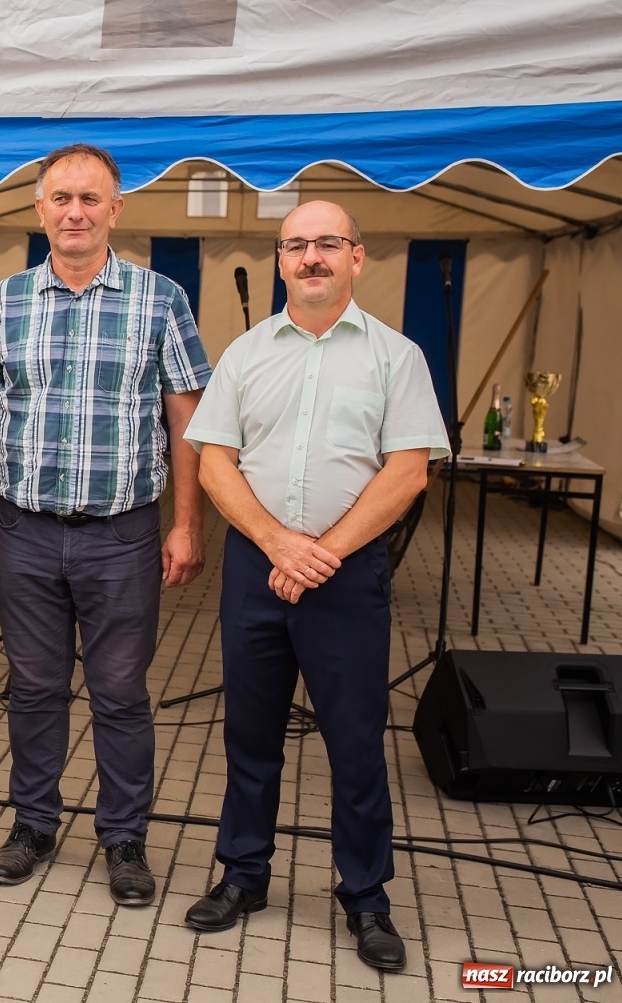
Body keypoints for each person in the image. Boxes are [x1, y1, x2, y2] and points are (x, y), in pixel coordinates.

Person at [181, 201, 447, 972]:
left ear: (358, 257)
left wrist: (322, 553)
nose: (311, 258)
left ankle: (366, 896)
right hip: (257, 571)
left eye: (328, 244)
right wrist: (277, 544)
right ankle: (243, 875)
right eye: (296, 246)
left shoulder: (398, 358)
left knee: (357, 743)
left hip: (347, 573)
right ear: (280, 260)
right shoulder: (246, 353)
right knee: (249, 735)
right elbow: (214, 459)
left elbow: (408, 471)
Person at [0, 143, 212, 904]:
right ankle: (34, 823)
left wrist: (186, 524)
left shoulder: (160, 298)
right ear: (37, 209)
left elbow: (186, 418)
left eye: (90, 199)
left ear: (115, 210)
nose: (74, 212)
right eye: (60, 198)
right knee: (34, 688)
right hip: (25, 530)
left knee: (120, 693)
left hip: (122, 533)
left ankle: (124, 838)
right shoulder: (2, 302)